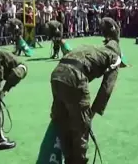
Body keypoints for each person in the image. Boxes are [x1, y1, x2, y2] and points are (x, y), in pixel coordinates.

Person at [50, 17, 122, 164]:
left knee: (63, 122)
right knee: (80, 129)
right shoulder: (115, 56)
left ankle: (68, 159)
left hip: (56, 74)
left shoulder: (92, 48)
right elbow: (106, 89)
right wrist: (91, 114)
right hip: (74, 76)